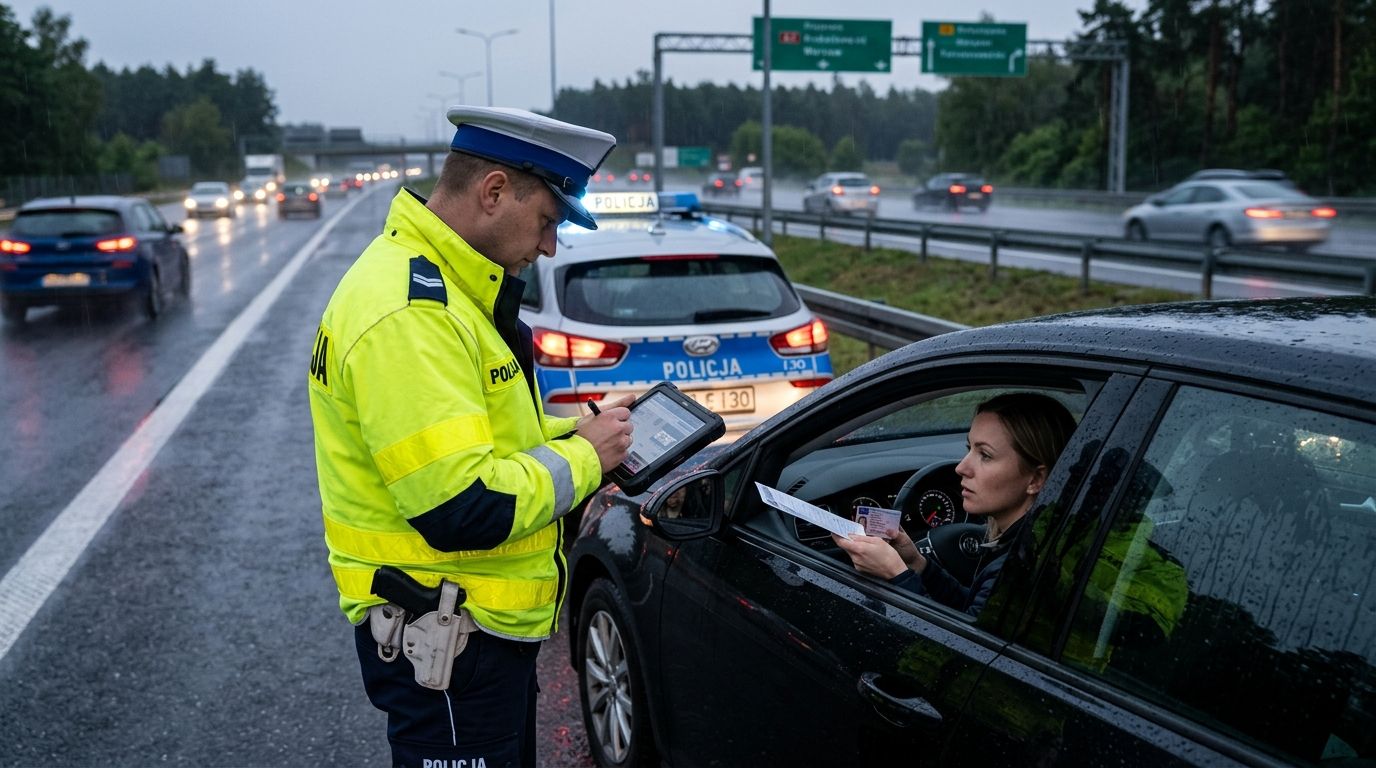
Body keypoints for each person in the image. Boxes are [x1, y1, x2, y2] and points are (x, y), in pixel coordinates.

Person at [307, 106, 634, 768]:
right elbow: (462, 504)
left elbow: (483, 438)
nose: (549, 246)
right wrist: (586, 456)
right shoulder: (411, 316)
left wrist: (580, 431)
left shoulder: (445, 288)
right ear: (493, 191)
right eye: (548, 221)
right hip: (448, 644)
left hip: (469, 636)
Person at [833, 393, 1076, 617]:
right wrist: (916, 563)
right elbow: (971, 614)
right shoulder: (1041, 543)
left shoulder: (1020, 567)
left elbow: (957, 647)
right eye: (970, 449)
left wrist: (896, 574)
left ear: (1035, 479)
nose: (961, 468)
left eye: (985, 455)